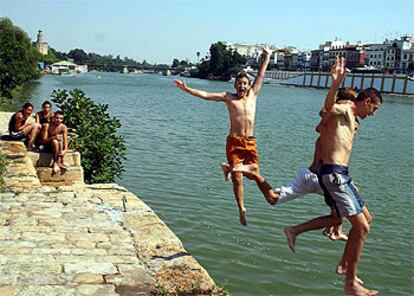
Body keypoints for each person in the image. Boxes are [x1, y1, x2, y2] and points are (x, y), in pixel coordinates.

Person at [292, 57, 381, 296]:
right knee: (361, 228)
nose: (373, 113)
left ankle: (344, 265)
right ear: (367, 101)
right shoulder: (345, 108)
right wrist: (335, 83)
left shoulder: (353, 117)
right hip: (333, 174)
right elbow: (329, 108)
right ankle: (350, 284)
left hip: (342, 175)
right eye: (374, 108)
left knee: (367, 220)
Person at [234, 88, 359, 241]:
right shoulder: (333, 133)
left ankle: (256, 174)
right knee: (348, 194)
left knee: (273, 198)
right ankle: (332, 230)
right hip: (320, 179)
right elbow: (327, 111)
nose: (355, 129)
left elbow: (325, 115)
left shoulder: (326, 131)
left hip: (308, 175)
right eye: (355, 126)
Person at [174, 46, 273, 226]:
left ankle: (228, 168)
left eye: (245, 83)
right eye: (239, 83)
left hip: (250, 142)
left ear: (248, 85)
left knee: (254, 173)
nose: (242, 86)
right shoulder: (228, 97)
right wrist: (187, 89)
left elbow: (261, 75)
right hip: (234, 142)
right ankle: (242, 208)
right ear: (235, 85)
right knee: (238, 180)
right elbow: (206, 95)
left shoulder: (253, 95)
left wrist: (267, 56)